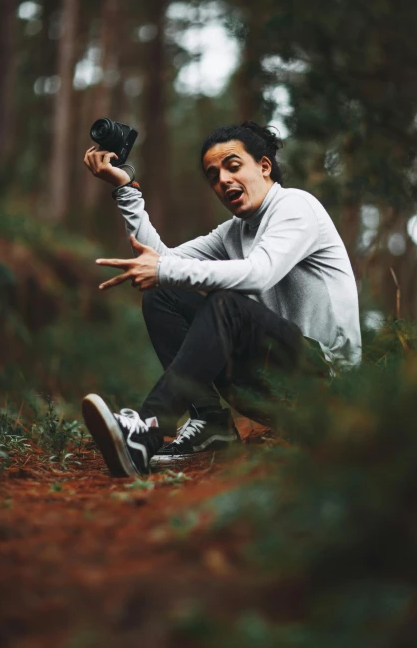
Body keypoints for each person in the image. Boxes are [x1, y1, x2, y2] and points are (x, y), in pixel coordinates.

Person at [81, 121, 361, 477]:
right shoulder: (233, 232)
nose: (223, 181)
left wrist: (164, 270)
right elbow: (162, 259)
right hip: (270, 390)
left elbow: (261, 272)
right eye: (213, 175)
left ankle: (149, 427)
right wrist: (125, 189)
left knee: (225, 303)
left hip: (327, 388)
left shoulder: (296, 206)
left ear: (263, 166)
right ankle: (211, 425)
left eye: (232, 166)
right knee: (163, 294)